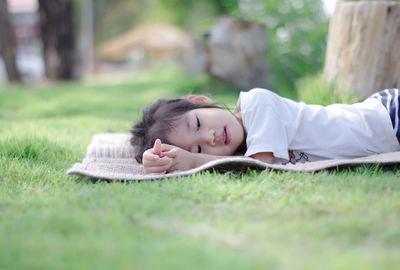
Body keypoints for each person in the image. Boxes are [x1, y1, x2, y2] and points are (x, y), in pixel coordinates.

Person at [131, 88, 400, 174]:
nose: (210, 138)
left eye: (198, 124)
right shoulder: (245, 149)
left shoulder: (256, 103)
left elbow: (261, 166)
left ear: (200, 102)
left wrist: (192, 160)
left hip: (387, 117)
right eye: (199, 148)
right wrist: (162, 160)